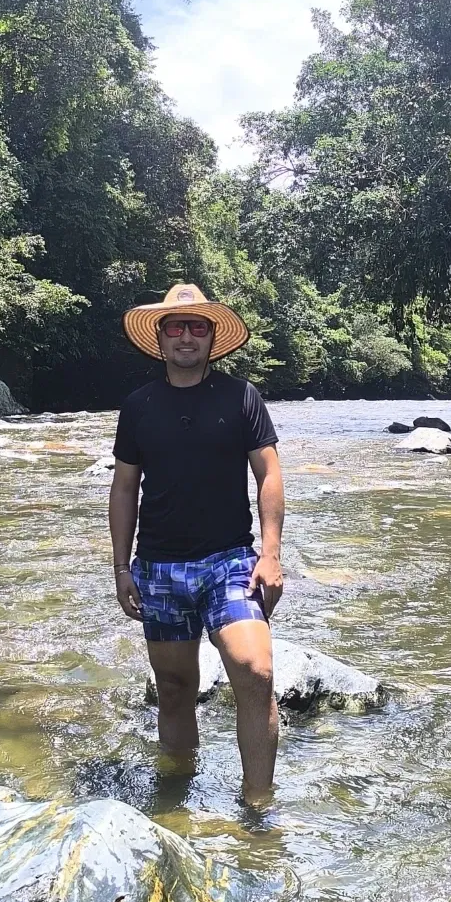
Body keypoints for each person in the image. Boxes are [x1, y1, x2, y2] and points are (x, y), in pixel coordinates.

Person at [108, 282, 285, 802]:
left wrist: (270, 553)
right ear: (160, 338)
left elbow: (268, 473)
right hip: (158, 567)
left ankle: (258, 806)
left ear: (212, 337)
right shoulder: (138, 406)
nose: (186, 336)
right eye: (176, 327)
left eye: (197, 327)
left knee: (255, 672)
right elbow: (124, 487)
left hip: (229, 559)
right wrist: (122, 569)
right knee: (175, 691)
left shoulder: (241, 397)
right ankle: (177, 805)